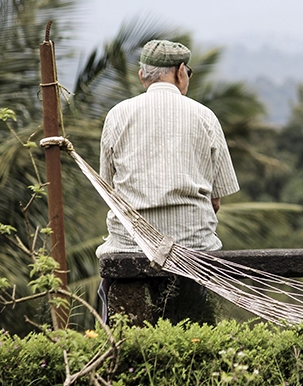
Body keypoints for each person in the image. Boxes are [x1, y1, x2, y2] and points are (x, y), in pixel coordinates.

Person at [96, 39, 240, 322]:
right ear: (181, 71)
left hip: (129, 246)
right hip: (192, 247)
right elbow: (216, 200)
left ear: (142, 76)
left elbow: (108, 189)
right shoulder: (205, 116)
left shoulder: (117, 116)